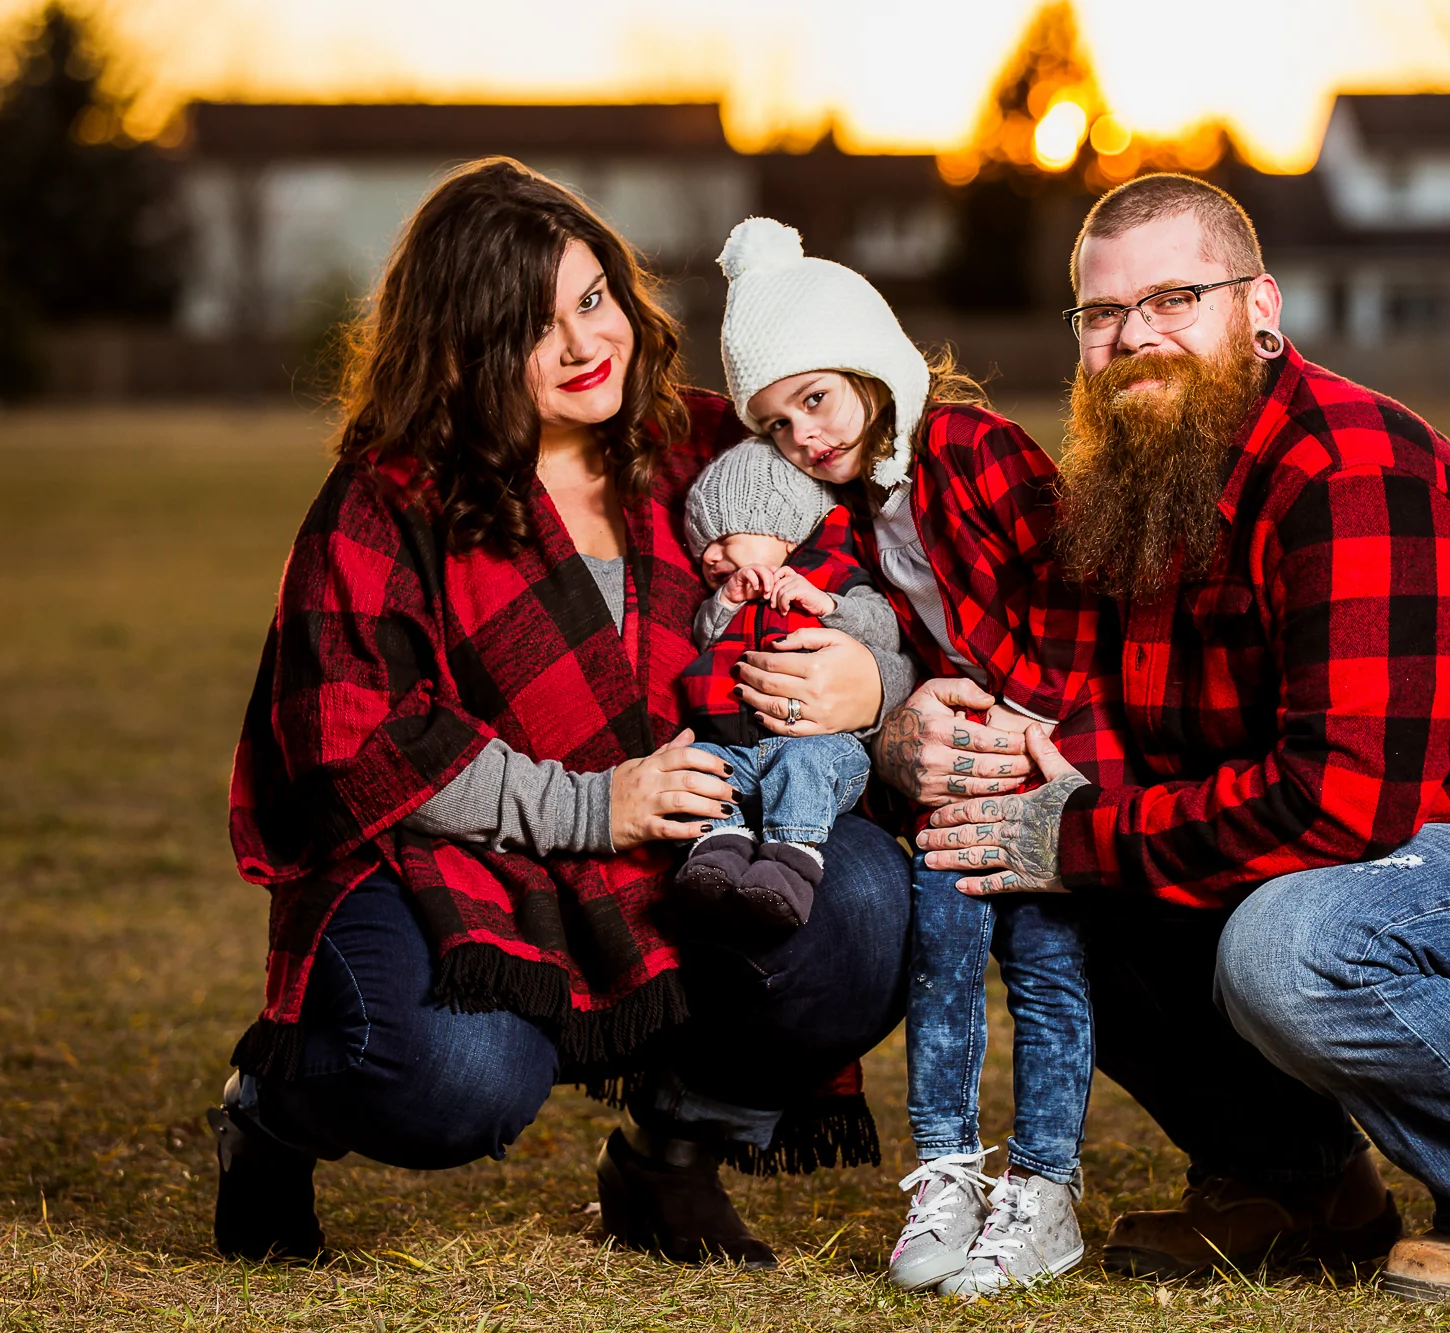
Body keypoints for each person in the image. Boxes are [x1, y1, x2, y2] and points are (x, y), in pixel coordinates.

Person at [916, 173, 1450, 1304]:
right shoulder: (1146, 486)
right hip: (1374, 877)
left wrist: (1077, 829)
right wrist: (937, 733)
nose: (1135, 336)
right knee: (1042, 875)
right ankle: (1295, 1186)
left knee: (1282, 943)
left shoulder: (1351, 471)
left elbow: (1340, 807)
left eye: (1174, 298)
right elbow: (1087, 731)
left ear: (1260, 306)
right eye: (1101, 314)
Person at [211, 159, 918, 1270]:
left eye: (594, 300)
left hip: (699, 840)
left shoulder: (709, 447)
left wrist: (868, 685)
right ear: (461, 347)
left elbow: (873, 562)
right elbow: (346, 739)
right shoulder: (391, 496)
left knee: (871, 903)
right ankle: (271, 1116)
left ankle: (667, 1161)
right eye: (532, 328)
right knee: (453, 1080)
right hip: (471, 856)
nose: (587, 345)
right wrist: (593, 803)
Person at [713, 217, 1120, 1296]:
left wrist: (1027, 718)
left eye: (814, 398)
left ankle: (1044, 1188)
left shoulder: (974, 450)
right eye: (773, 421)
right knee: (941, 954)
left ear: (868, 365)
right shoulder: (844, 512)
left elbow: (1074, 587)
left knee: (1041, 960)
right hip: (948, 768)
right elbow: (873, 638)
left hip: (1037, 755)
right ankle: (946, 1174)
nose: (801, 433)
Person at [672, 438, 899, 925]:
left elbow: (886, 629)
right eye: (702, 550)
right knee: (699, 764)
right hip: (736, 750)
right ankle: (719, 848)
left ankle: (790, 860)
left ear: (787, 531)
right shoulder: (728, 595)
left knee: (805, 762)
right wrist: (727, 604)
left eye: (724, 538)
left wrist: (830, 605)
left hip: (818, 745)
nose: (709, 557)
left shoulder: (838, 576)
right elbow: (705, 638)